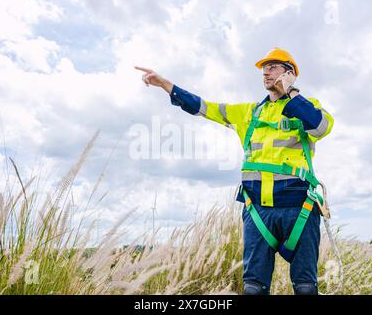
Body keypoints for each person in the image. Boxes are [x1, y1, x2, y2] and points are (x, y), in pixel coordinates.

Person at [135, 47, 334, 295]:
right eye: (264, 68)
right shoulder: (248, 112)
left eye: (272, 67)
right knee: (253, 287)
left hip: (299, 210)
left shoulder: (309, 106)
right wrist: (166, 85)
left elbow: (320, 127)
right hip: (257, 211)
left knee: (305, 286)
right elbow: (204, 107)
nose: (266, 72)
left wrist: (291, 92)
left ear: (289, 72)